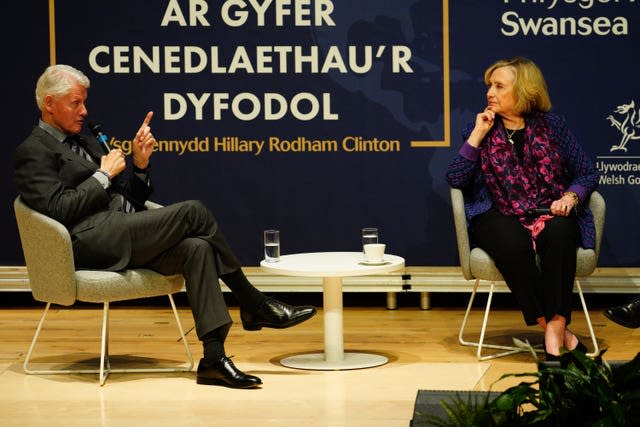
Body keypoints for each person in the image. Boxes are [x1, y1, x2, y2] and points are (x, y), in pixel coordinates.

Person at [13, 64, 317, 388]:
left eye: (84, 102)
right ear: (49, 103)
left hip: (120, 230)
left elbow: (128, 200)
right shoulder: (32, 152)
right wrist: (102, 176)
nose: (84, 111)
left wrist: (140, 165)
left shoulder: (87, 143)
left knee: (196, 248)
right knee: (194, 212)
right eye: (76, 103)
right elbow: (59, 210)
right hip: (87, 242)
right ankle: (253, 302)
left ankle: (214, 358)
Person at [445, 57, 599, 361]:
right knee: (512, 245)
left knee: (561, 232)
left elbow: (587, 173)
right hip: (497, 212)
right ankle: (560, 334)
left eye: (499, 86)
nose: (490, 92)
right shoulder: (479, 128)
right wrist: (477, 135)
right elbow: (455, 177)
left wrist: (570, 196)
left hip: (548, 208)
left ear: (524, 91)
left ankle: (553, 335)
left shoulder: (554, 127)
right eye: (489, 85)